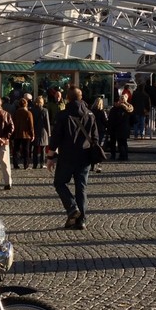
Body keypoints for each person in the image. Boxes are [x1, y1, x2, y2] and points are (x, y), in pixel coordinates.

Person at [47, 86, 100, 231]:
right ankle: (81, 220)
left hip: (67, 156)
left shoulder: (63, 115)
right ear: (81, 97)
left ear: (68, 98)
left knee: (59, 183)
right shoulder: (90, 114)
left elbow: (56, 138)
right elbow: (95, 137)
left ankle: (72, 208)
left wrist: (50, 156)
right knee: (81, 188)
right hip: (85, 157)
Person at [11, 97, 35, 170]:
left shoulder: (15, 113)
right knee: (26, 150)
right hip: (26, 134)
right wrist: (32, 134)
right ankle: (26, 164)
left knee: (16, 149)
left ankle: (15, 164)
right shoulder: (28, 113)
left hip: (17, 133)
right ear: (26, 104)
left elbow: (12, 123)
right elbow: (31, 125)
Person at [107, 96, 133, 161]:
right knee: (124, 143)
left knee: (120, 143)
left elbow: (113, 119)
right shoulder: (129, 108)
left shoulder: (117, 109)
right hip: (126, 127)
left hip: (118, 128)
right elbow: (133, 119)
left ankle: (121, 156)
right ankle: (125, 156)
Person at [30, 95, 51, 169]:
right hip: (43, 131)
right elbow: (47, 122)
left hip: (35, 130)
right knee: (42, 149)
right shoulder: (45, 110)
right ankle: (42, 163)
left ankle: (34, 164)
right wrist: (49, 132)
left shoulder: (32, 110)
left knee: (35, 149)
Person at [90, 96, 108, 173]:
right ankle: (98, 165)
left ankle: (92, 165)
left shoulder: (91, 111)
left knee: (92, 147)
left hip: (92, 131)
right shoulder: (102, 112)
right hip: (100, 131)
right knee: (99, 147)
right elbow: (105, 122)